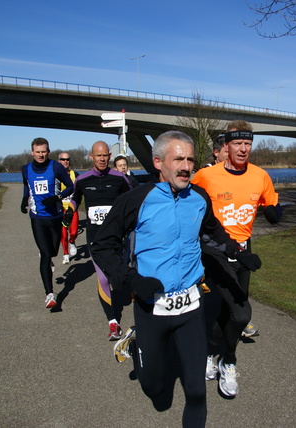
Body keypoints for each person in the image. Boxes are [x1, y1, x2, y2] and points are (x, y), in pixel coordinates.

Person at [91, 130, 260, 428]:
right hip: (151, 307)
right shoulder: (136, 199)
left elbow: (213, 231)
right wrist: (130, 279)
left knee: (196, 392)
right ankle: (135, 346)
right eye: (178, 159)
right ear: (158, 162)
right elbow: (102, 246)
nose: (186, 166)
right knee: (155, 391)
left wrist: (237, 251)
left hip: (191, 306)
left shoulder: (198, 197)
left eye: (191, 159)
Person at [191, 120, 282, 397]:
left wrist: (274, 213)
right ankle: (228, 360)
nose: (243, 149)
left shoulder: (260, 176)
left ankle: (209, 352)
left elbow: (271, 203)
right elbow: (186, 200)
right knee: (242, 312)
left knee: (226, 310)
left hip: (243, 252)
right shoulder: (207, 176)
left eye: (248, 144)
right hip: (215, 252)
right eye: (238, 144)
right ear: (226, 146)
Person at [63, 141, 133, 340]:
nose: (102, 159)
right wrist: (70, 212)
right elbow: (75, 198)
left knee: (118, 275)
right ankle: (113, 322)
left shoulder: (119, 178)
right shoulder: (83, 180)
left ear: (109, 156)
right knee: (102, 277)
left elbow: (131, 199)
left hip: (117, 236)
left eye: (105, 155)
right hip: (95, 238)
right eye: (98, 155)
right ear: (91, 156)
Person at [205, 135, 259, 338]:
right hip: (213, 244)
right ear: (218, 152)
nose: (236, 154)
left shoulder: (246, 174)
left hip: (241, 242)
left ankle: (236, 321)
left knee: (239, 291)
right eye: (228, 151)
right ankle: (211, 345)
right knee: (217, 293)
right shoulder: (206, 175)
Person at [20, 138, 74, 309]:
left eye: (43, 151)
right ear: (32, 152)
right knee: (44, 253)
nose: (40, 154)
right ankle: (49, 294)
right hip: (37, 217)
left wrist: (57, 197)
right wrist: (23, 200)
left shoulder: (56, 167)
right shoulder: (26, 169)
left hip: (55, 215)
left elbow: (71, 186)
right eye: (37, 152)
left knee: (53, 251)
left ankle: (48, 257)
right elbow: (26, 186)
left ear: (48, 152)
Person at [57, 153, 79, 265]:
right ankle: (65, 254)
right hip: (60, 210)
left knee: (74, 232)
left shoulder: (75, 174)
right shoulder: (55, 176)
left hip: (72, 208)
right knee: (63, 234)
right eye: (63, 159)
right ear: (59, 161)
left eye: (67, 159)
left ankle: (72, 241)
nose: (65, 161)